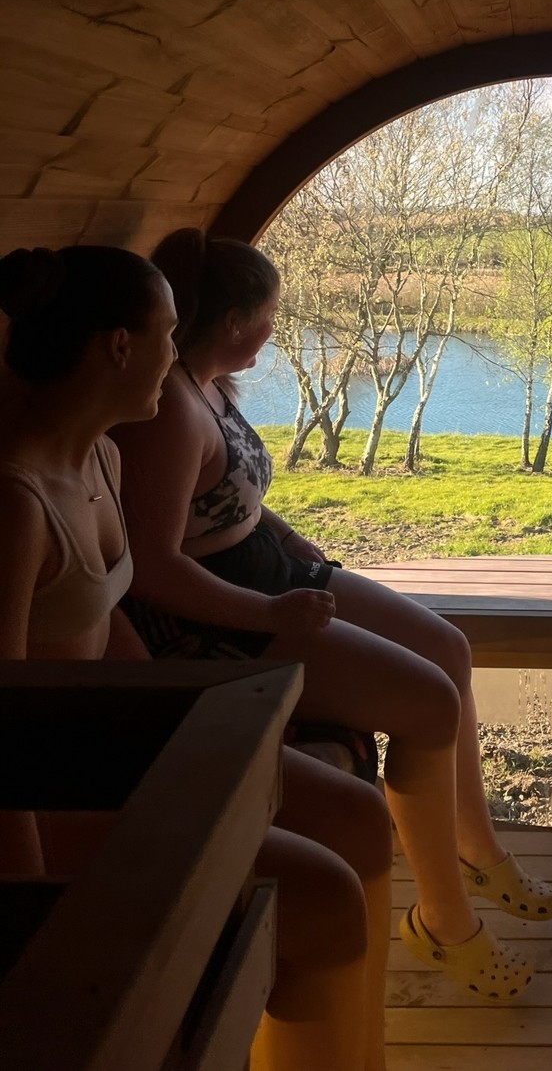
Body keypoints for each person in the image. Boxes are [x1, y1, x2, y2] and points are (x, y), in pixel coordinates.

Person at [113, 228, 552, 1001]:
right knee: (428, 702)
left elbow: (233, 505)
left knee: (447, 646)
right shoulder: (170, 416)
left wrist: (298, 549)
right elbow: (153, 568)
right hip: (229, 616)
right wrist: (272, 610)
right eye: (270, 316)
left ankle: (476, 847)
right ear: (234, 323)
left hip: (272, 571)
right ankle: (444, 924)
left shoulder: (205, 382)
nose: (276, 331)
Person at [0, 244, 392, 1070]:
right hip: (50, 801)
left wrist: (185, 733)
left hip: (113, 749)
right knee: (325, 899)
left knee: (360, 817)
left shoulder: (102, 457)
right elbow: (0, 730)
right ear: (116, 346)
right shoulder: (18, 505)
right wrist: (30, 910)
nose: (178, 356)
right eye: (168, 334)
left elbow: (106, 628)